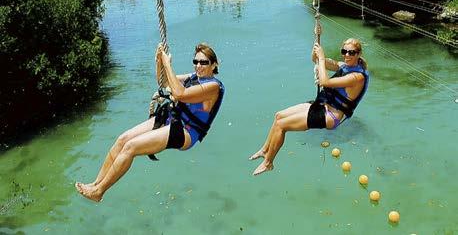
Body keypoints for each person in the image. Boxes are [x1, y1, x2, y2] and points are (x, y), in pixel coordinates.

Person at [75, 42, 224, 201]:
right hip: (172, 118)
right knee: (122, 140)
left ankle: (99, 192)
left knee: (131, 147)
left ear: (213, 65)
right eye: (196, 62)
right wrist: (159, 61)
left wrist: (167, 63)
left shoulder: (213, 87)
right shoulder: (193, 77)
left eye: (203, 63)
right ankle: (96, 184)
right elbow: (164, 83)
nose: (198, 66)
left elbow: (180, 94)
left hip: (186, 131)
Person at [249, 38, 369, 176]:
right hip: (322, 105)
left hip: (330, 116)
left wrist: (322, 59)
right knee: (279, 116)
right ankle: (265, 150)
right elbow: (316, 60)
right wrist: (316, 50)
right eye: (344, 51)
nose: (347, 55)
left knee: (282, 125)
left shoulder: (357, 77)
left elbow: (325, 81)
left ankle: (268, 163)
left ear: (358, 54)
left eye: (351, 53)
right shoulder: (344, 66)